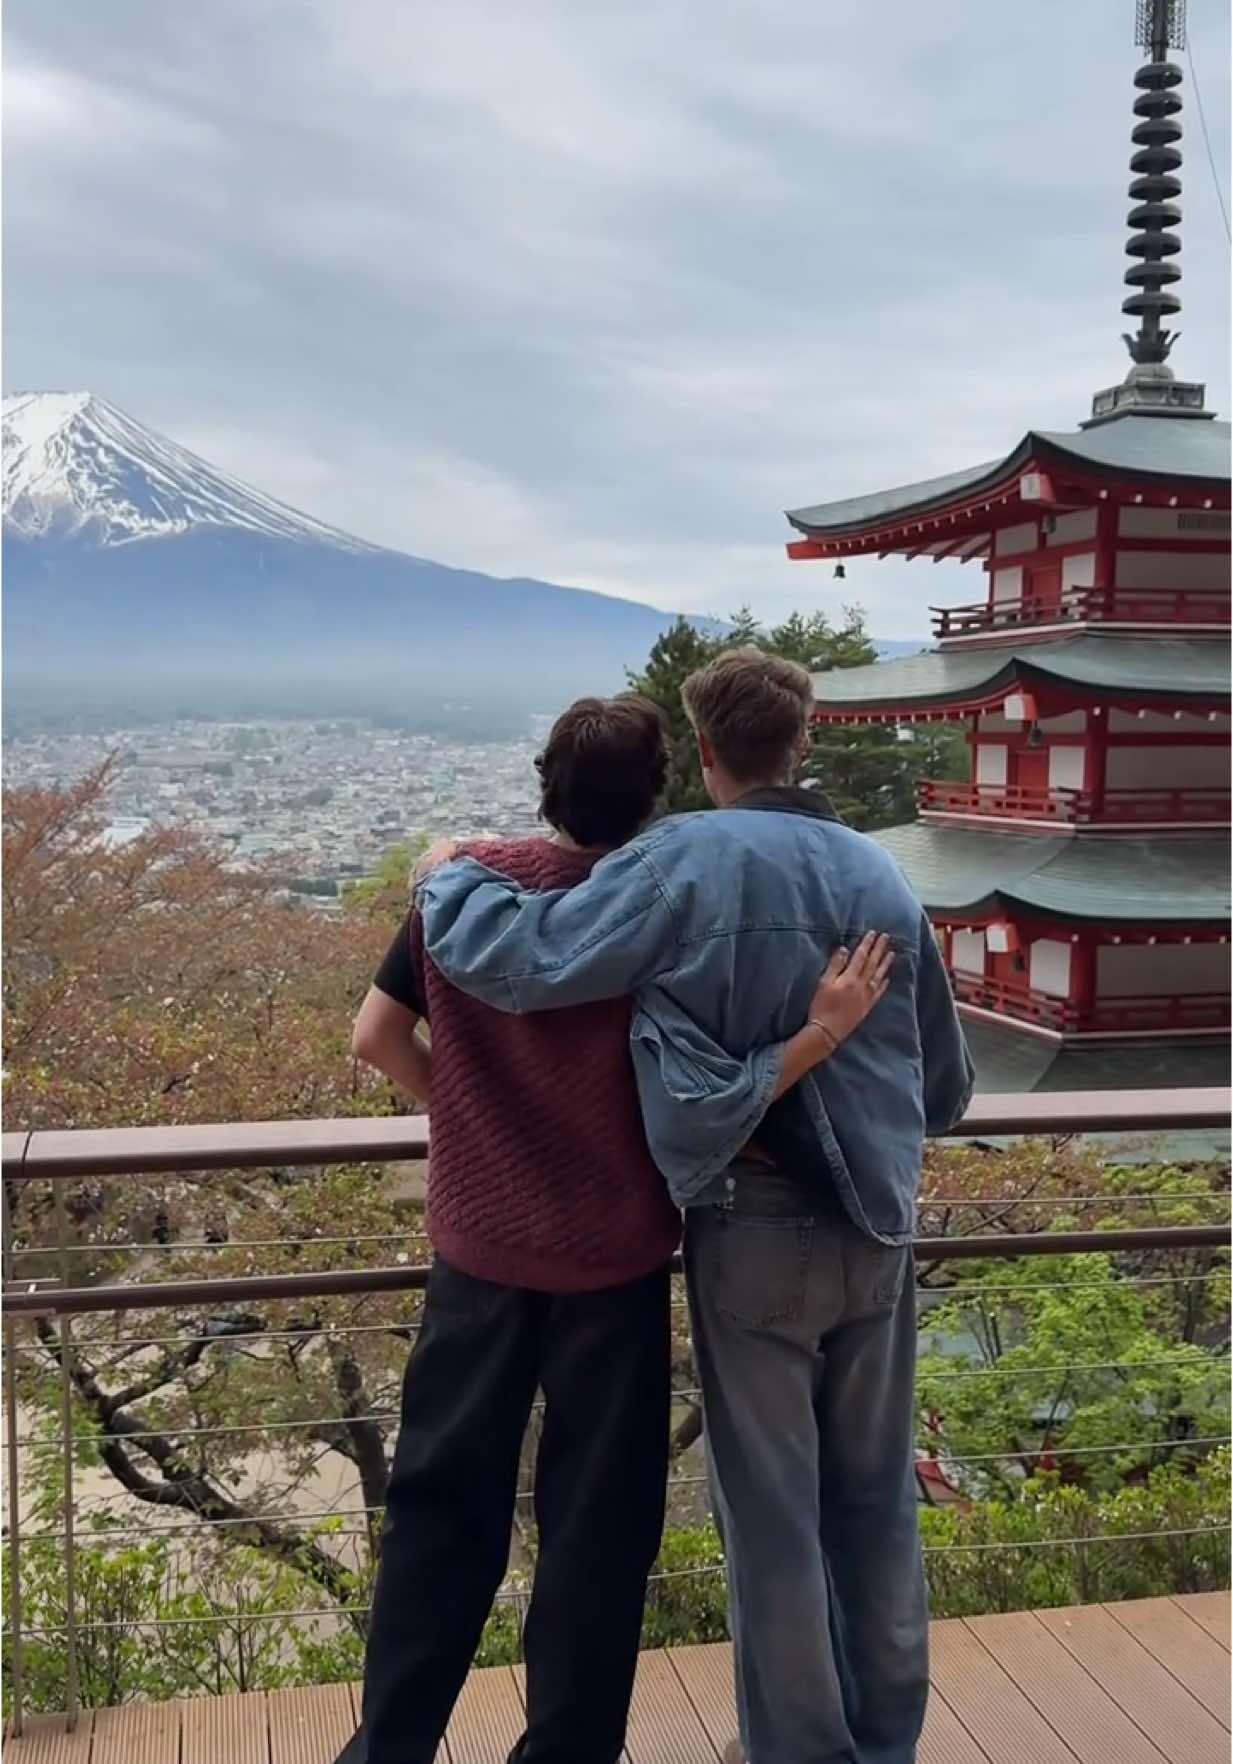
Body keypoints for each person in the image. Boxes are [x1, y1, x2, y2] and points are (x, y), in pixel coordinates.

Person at [416, 649, 975, 1764]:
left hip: (751, 1227)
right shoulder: (877, 876)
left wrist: (452, 873)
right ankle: (885, 1742)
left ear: (706, 752)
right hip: (877, 1227)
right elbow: (947, 1089)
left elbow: (523, 961)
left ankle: (801, 1751)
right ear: (802, 742)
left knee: (773, 1519)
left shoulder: (680, 863)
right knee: (875, 1501)